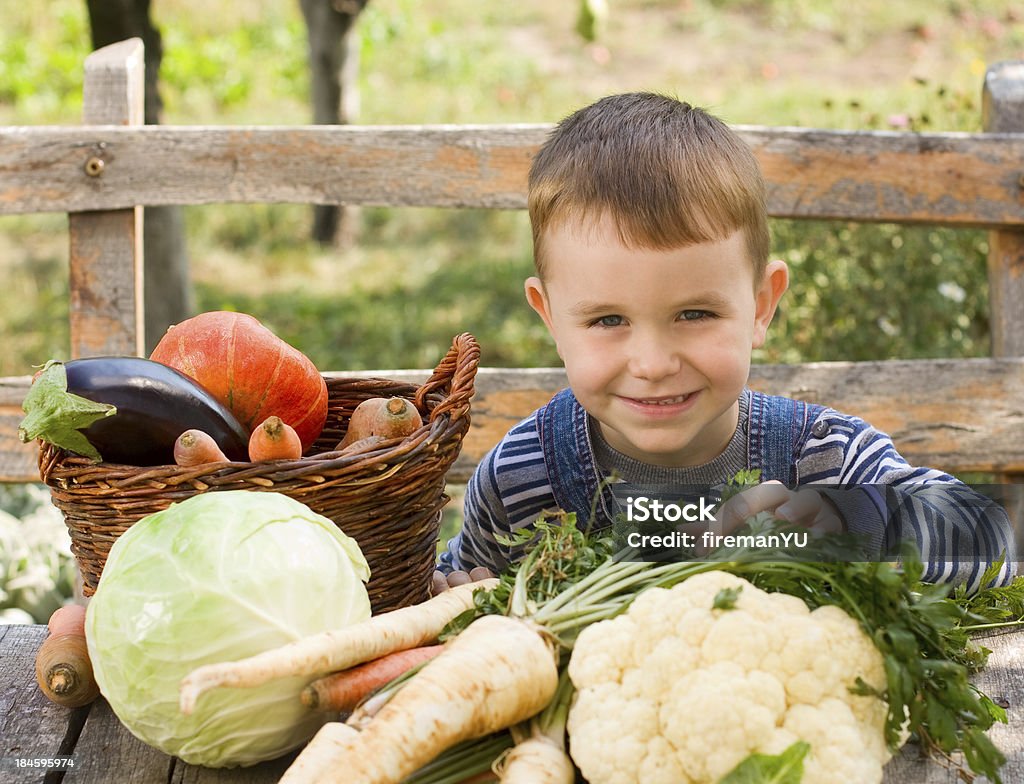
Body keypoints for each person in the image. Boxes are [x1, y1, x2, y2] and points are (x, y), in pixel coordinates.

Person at [433, 92, 1017, 594]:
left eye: (695, 312)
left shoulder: (824, 461)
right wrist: (459, 600)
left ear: (761, 306)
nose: (655, 364)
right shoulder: (522, 479)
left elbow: (994, 539)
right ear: (552, 318)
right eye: (608, 320)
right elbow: (456, 584)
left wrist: (858, 520)